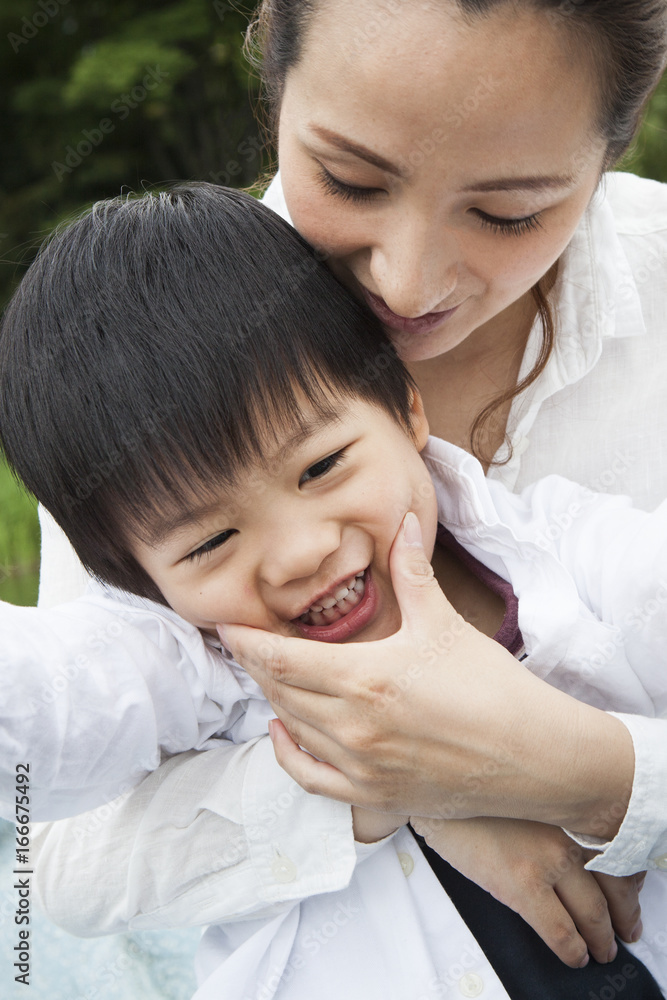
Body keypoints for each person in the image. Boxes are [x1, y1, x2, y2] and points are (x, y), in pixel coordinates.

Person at [36, 0, 667, 880]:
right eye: (350, 181)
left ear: (612, 148)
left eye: (506, 212)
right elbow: (61, 855)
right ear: (276, 86)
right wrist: (390, 798)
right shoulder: (126, 376)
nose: (407, 284)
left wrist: (583, 777)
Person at [3, 185, 664, 997]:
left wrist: (577, 773)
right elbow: (42, 711)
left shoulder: (576, 558)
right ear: (143, 588)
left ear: (405, 409)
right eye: (210, 542)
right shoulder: (198, 670)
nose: (299, 552)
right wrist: (385, 789)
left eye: (321, 467)